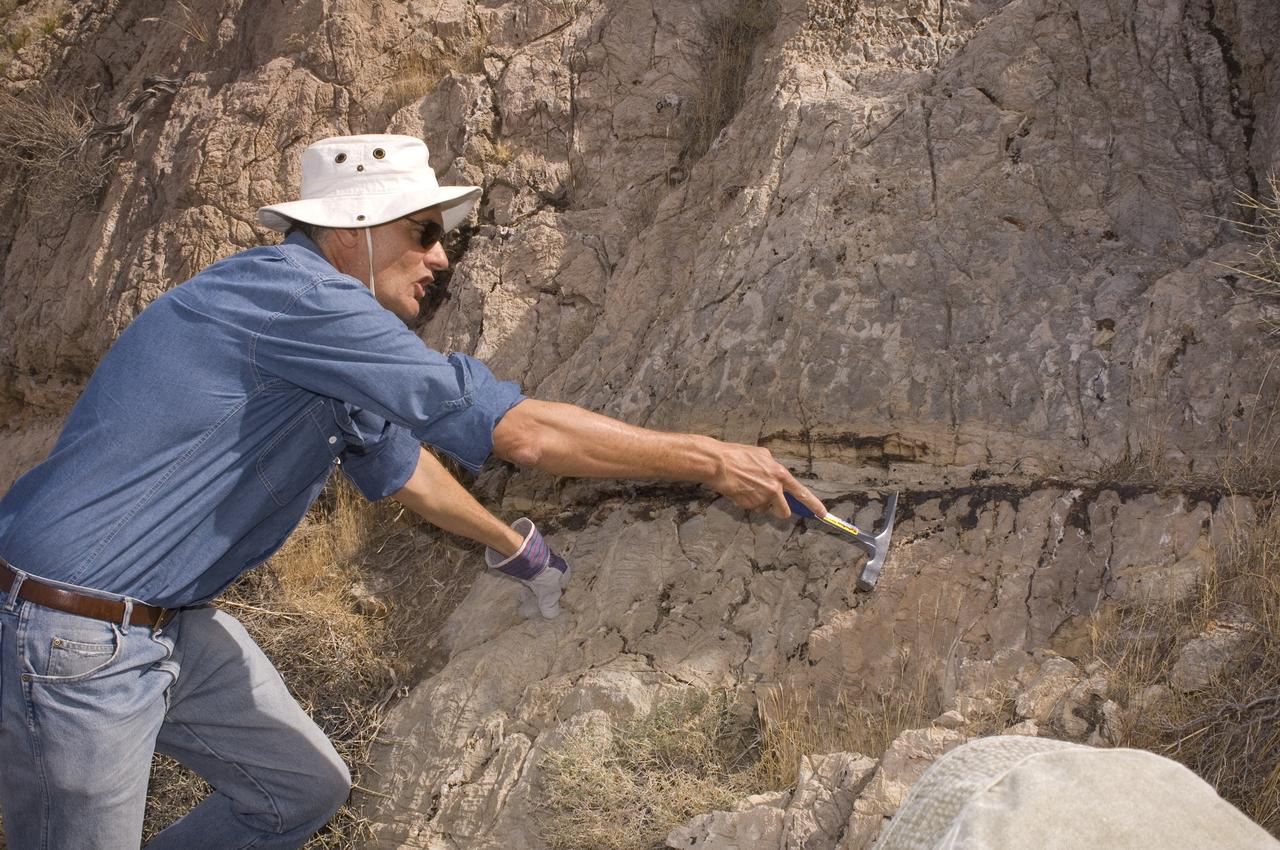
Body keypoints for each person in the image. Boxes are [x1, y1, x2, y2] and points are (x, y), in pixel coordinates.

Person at [0, 134, 826, 849]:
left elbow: (403, 469)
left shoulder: (321, 337)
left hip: (162, 624)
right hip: (73, 631)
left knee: (300, 791)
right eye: (426, 232)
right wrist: (713, 460)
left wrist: (516, 550)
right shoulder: (296, 296)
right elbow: (519, 433)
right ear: (354, 228)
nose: (441, 258)